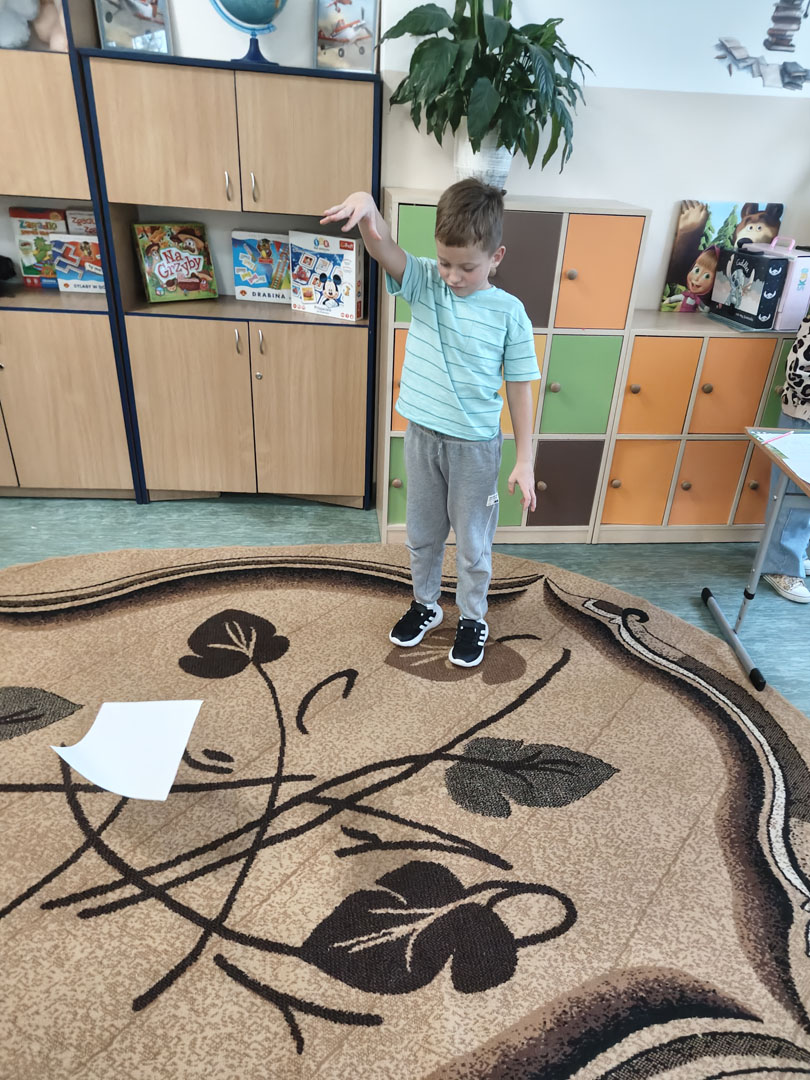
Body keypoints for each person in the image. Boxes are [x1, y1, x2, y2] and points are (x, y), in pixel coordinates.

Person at [321, 180, 540, 667]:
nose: (453, 277)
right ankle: (425, 604)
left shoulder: (510, 314)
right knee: (421, 533)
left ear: (496, 257)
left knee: (473, 543)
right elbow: (384, 249)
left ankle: (473, 617)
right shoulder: (424, 281)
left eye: (467, 267)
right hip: (422, 437)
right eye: (445, 263)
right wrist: (368, 212)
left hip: (474, 449)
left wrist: (525, 459)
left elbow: (521, 387)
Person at [762, 311, 810, 603]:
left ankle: (796, 552)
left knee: (805, 497)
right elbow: (798, 372)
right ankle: (780, 565)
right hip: (804, 413)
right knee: (794, 494)